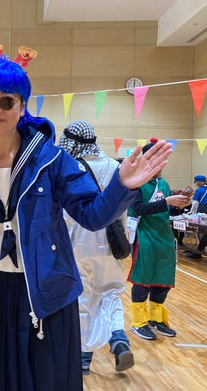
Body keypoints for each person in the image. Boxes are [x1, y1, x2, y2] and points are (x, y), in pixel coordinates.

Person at [0, 55, 172, 391]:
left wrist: (122, 185)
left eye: (6, 101)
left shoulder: (52, 159)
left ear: (22, 106)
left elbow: (92, 214)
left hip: (47, 288)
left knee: (48, 379)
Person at [58, 120, 134, 376]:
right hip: (111, 243)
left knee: (83, 300)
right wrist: (123, 240)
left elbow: (65, 214)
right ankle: (118, 338)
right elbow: (122, 210)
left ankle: (83, 358)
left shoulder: (72, 168)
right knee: (111, 292)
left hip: (79, 242)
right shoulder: (115, 167)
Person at [127, 138, 192, 341]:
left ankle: (156, 319)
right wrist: (167, 201)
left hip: (164, 237)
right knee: (143, 279)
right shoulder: (135, 182)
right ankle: (138, 322)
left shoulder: (162, 183)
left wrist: (180, 204)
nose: (161, 164)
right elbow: (138, 208)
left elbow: (166, 208)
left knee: (163, 280)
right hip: (144, 236)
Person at [186, 174, 207, 259]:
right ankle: (199, 251)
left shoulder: (199, 190)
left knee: (202, 232)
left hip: (202, 212)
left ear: (199, 182)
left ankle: (202, 251)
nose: (196, 184)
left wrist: (191, 211)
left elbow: (195, 203)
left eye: (196, 182)